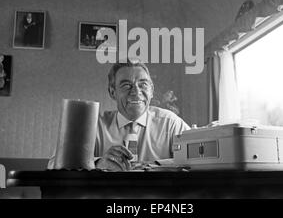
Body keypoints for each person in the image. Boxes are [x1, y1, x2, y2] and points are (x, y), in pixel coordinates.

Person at [48, 59, 190, 171]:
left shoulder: (171, 123)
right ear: (112, 92)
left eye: (143, 84)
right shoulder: (93, 125)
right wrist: (97, 163)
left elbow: (199, 158)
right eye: (126, 85)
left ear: (152, 91)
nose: (136, 91)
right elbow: (54, 163)